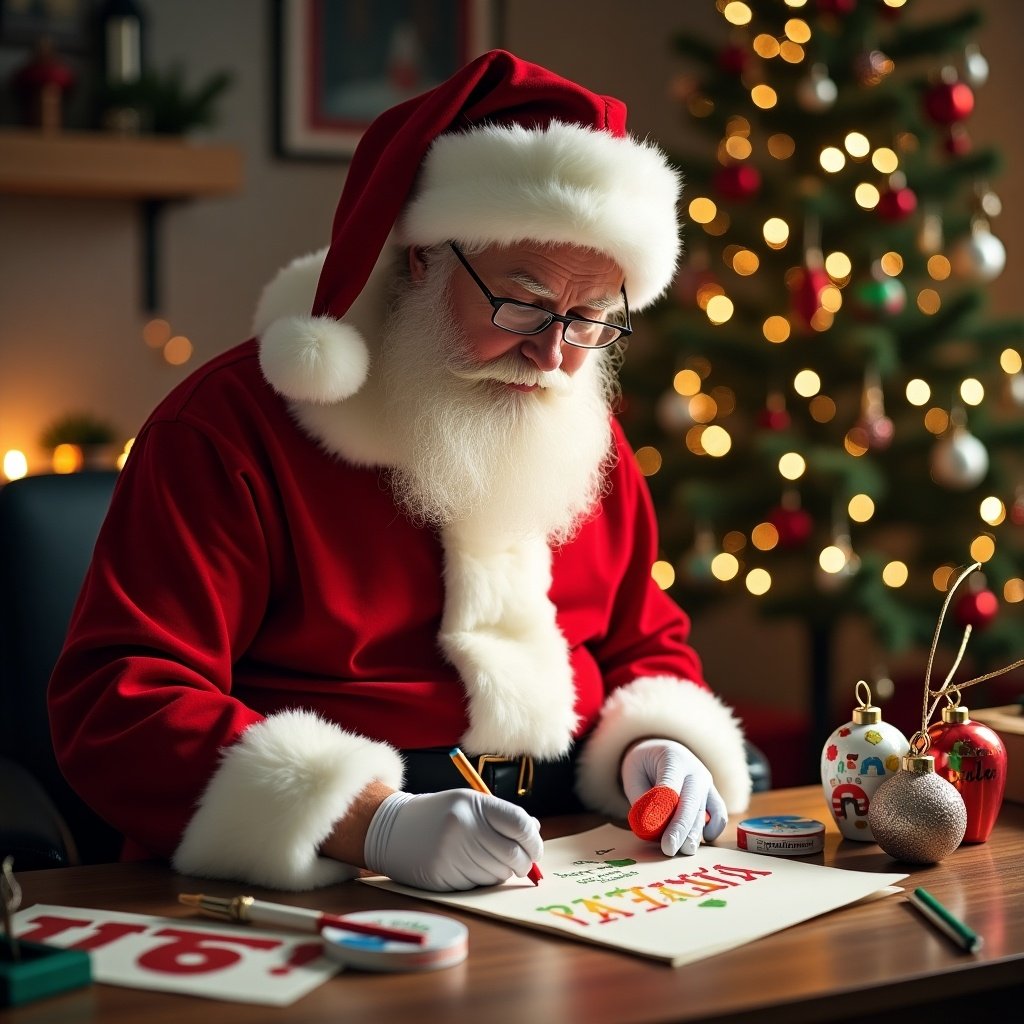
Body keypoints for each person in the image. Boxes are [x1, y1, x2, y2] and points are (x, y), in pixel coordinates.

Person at [48, 49, 752, 892]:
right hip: (311, 873)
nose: (554, 355)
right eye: (522, 302)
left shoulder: (586, 436)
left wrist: (657, 746)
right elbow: (122, 703)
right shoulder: (228, 430)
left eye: (591, 317)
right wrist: (367, 820)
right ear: (420, 256)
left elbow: (645, 643)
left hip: (575, 853)